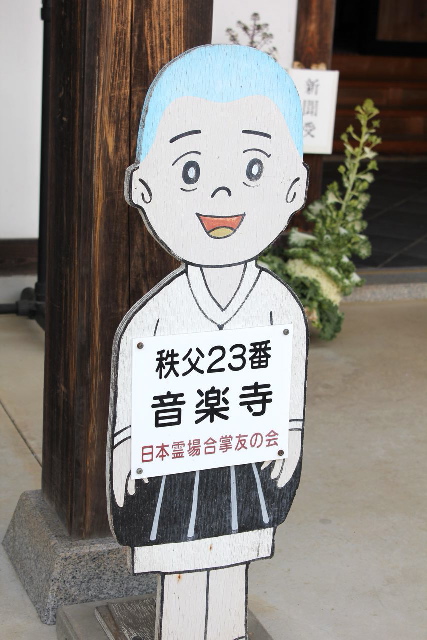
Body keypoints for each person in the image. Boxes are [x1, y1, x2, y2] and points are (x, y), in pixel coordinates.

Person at [107, 44, 309, 640]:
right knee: (182, 567)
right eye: (191, 171)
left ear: (293, 187)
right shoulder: (154, 316)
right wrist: (125, 445)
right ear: (144, 186)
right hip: (173, 464)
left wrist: (291, 431)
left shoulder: (278, 307)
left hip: (244, 457)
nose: (222, 195)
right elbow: (133, 387)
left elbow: (288, 382)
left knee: (231, 560)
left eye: (253, 169)